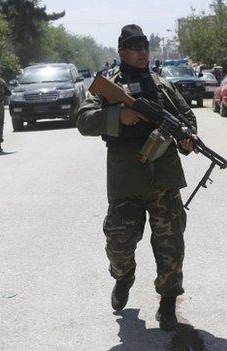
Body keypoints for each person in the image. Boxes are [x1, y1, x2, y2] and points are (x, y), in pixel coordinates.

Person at [76, 24, 197, 331]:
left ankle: (168, 301)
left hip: (164, 180)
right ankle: (123, 276)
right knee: (119, 245)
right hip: (126, 182)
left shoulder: (162, 85)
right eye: (135, 47)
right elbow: (83, 120)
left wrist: (188, 138)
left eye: (145, 47)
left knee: (171, 246)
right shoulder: (109, 85)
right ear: (122, 52)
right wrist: (119, 116)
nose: (143, 52)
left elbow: (188, 120)